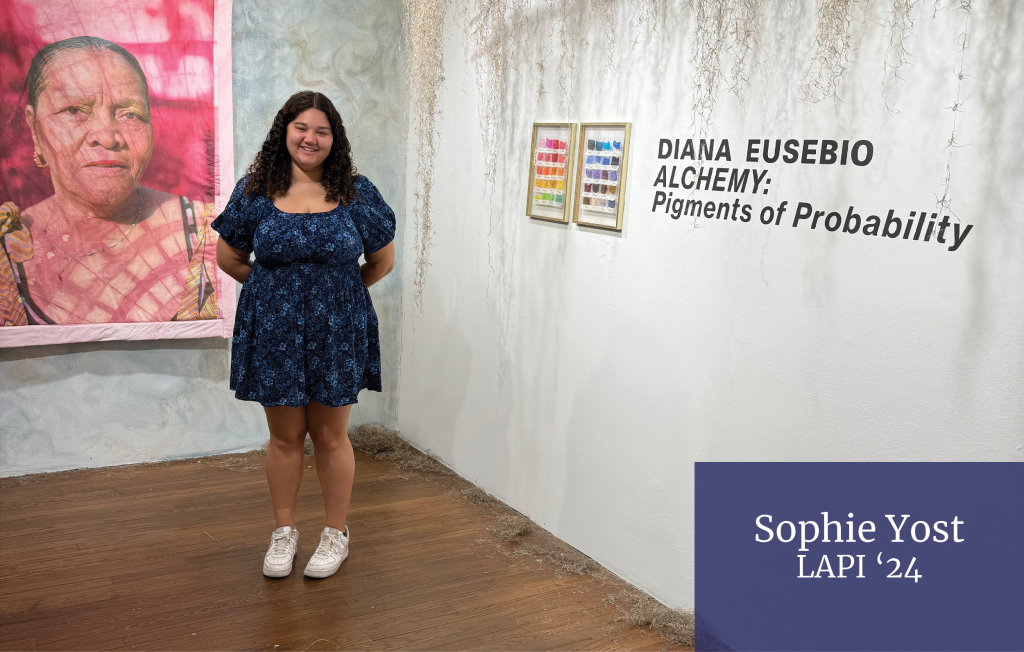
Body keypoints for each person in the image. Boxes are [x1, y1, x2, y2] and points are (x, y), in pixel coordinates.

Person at [212, 91, 395, 579]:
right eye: (301, 128)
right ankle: (284, 532)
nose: (310, 138)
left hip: (339, 330)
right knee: (286, 436)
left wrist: (335, 298)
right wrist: (277, 294)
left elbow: (382, 261)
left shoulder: (357, 193)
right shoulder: (254, 191)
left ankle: (336, 534)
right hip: (275, 331)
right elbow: (229, 258)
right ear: (283, 131)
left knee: (332, 436)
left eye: (322, 131)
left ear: (335, 139)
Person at [0, 36, 218, 326]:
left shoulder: (212, 234)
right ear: (34, 128)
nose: (107, 136)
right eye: (74, 111)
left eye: (129, 114)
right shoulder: (6, 249)